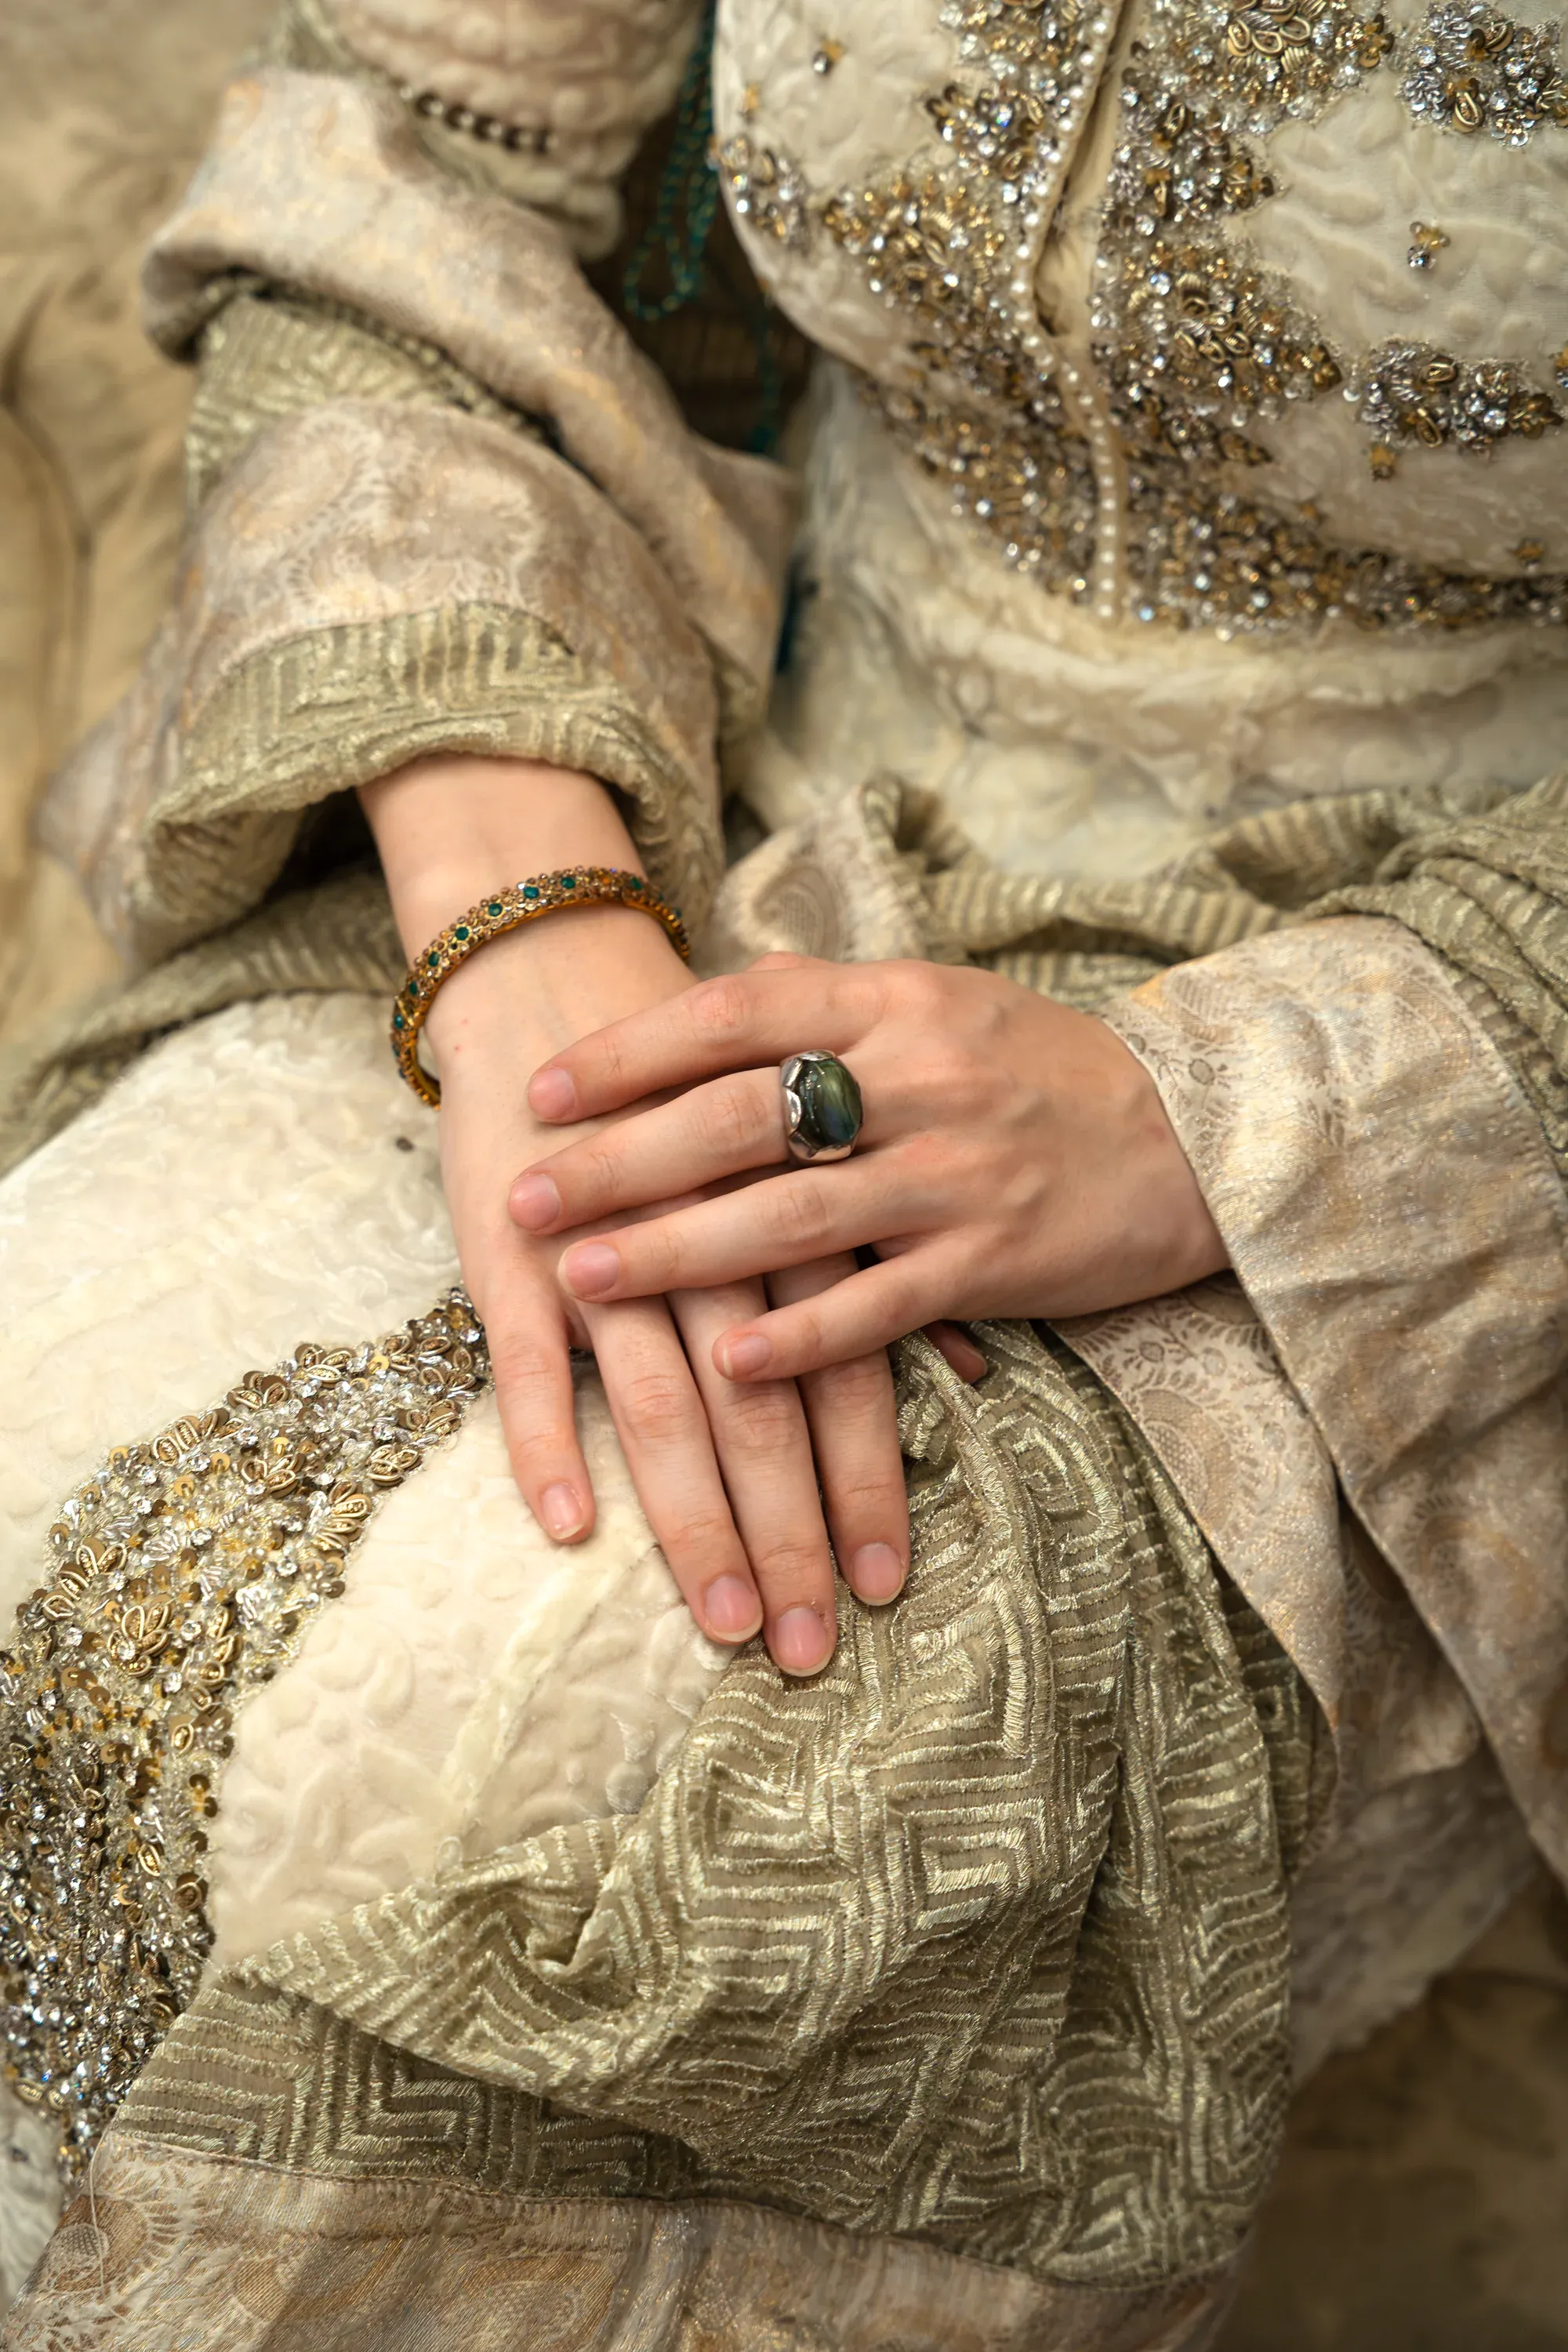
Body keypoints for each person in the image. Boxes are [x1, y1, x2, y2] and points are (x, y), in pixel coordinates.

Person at [1, 0, 1565, 2340]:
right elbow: (401, 161)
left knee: (504, 1822)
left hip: (1415, 1127)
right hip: (672, 804)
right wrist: (519, 890)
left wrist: (1236, 1110)